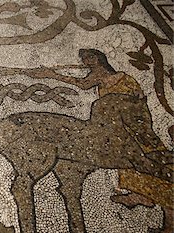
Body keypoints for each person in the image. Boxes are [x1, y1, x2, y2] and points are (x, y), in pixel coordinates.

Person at [27, 48, 172, 211]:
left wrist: (51, 74)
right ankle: (141, 193)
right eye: (84, 59)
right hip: (117, 123)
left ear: (99, 58)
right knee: (124, 156)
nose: (87, 61)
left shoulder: (119, 77)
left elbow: (137, 102)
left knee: (144, 153)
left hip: (131, 119)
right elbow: (84, 84)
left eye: (90, 57)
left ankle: (161, 189)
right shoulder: (96, 76)